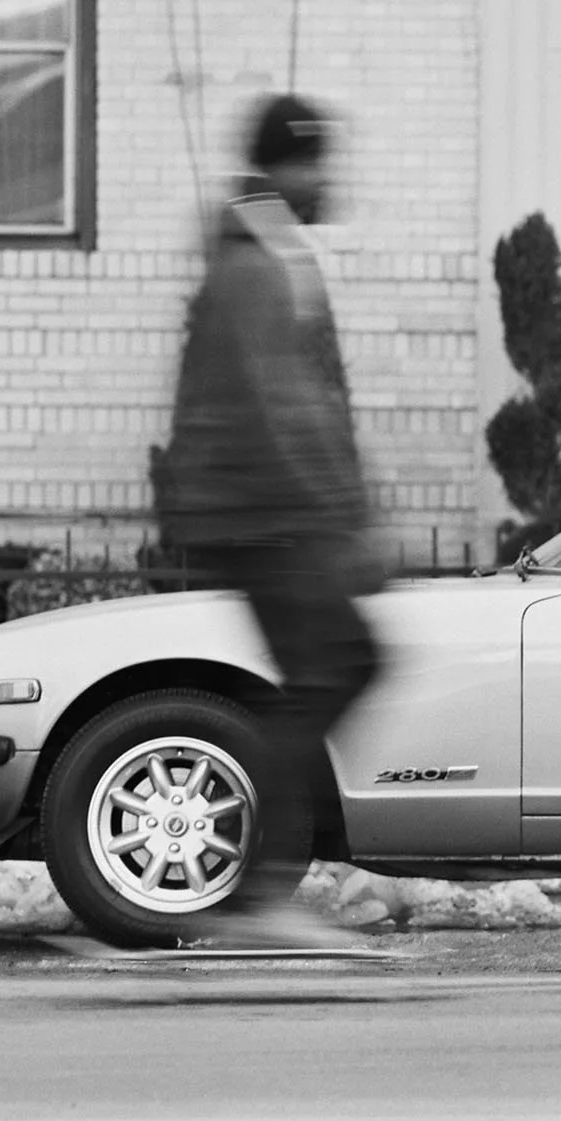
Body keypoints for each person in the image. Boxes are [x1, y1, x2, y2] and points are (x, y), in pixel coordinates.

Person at [157, 93, 384, 950]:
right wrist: (342, 522)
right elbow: (284, 404)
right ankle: (256, 892)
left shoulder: (265, 249)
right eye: (317, 161)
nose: (330, 179)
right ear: (285, 166)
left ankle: (255, 889)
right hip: (269, 515)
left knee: (330, 674)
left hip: (263, 511)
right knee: (341, 669)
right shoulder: (260, 262)